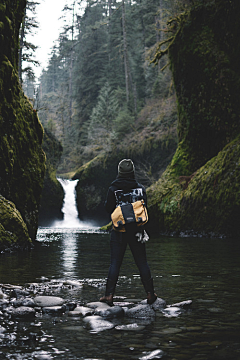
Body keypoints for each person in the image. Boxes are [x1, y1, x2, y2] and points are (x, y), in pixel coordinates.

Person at [100, 159, 157, 306]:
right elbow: (145, 206)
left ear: (119, 172)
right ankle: (150, 294)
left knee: (115, 264)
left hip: (119, 231)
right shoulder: (140, 189)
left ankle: (109, 295)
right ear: (132, 172)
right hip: (137, 231)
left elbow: (108, 208)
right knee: (142, 263)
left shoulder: (113, 189)